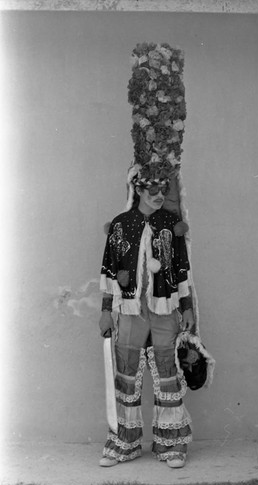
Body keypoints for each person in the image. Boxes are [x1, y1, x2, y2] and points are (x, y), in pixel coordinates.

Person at [98, 176, 195, 469]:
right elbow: (109, 269)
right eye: (152, 190)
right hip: (129, 311)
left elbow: (181, 268)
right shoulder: (119, 224)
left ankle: (171, 444)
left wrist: (188, 307)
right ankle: (125, 444)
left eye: (163, 190)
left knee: (168, 372)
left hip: (165, 310)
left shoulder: (170, 223)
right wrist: (106, 309)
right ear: (137, 189)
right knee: (127, 373)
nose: (159, 195)